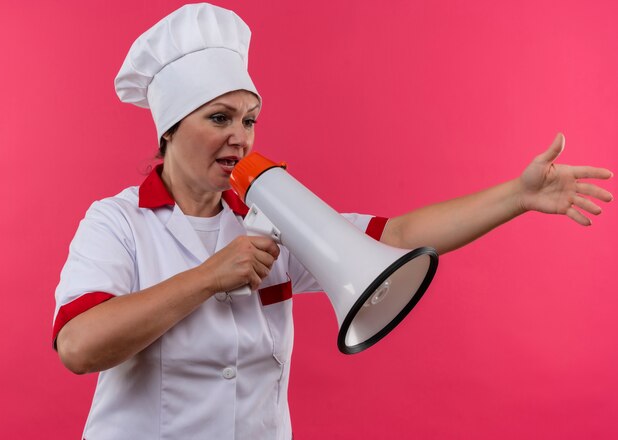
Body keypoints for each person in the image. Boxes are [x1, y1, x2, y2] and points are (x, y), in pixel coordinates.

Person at [52, 3, 613, 440]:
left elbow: (397, 237)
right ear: (169, 129)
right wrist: (208, 277)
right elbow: (78, 346)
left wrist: (517, 196)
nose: (240, 137)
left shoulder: (271, 215)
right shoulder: (117, 223)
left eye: (250, 119)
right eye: (218, 117)